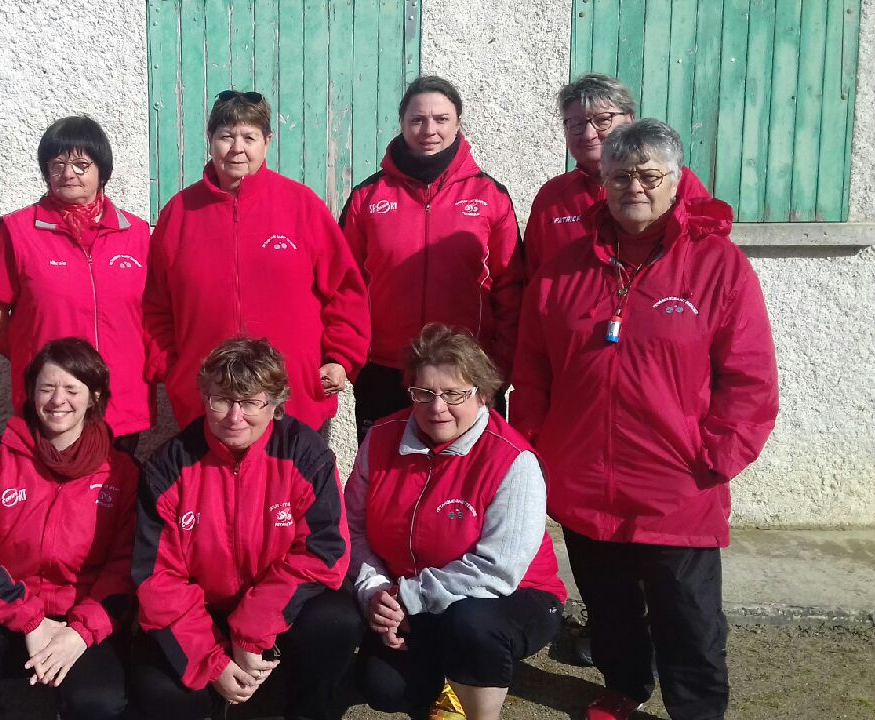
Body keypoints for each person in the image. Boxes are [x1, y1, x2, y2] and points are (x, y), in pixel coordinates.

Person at [511, 119, 778, 720]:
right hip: (583, 479)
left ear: (676, 180)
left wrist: (713, 458)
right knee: (609, 606)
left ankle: (698, 709)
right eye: (619, 176)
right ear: (601, 184)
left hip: (676, 483)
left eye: (648, 175)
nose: (634, 186)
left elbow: (751, 379)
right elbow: (531, 371)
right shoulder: (562, 269)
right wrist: (537, 452)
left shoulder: (718, 267)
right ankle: (625, 685)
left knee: (688, 615)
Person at [131, 337, 361, 720]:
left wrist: (253, 628)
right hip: (200, 609)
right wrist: (212, 659)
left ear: (274, 403)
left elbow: (326, 552)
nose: (234, 417)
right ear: (205, 398)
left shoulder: (305, 454)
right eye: (222, 399)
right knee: (162, 695)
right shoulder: (169, 466)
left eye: (251, 402)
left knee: (337, 622)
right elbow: (156, 579)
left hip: (277, 602)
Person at [345, 323, 566, 720]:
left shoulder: (514, 460)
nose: (437, 407)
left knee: (472, 627)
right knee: (386, 689)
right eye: (424, 393)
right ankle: (441, 683)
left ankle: (481, 711)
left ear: (481, 394)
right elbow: (354, 528)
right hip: (409, 594)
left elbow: (498, 570)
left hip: (508, 598)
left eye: (453, 394)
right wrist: (374, 589)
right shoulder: (380, 437)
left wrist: (407, 597)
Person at [0, 338, 137, 720]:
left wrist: (79, 631)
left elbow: (127, 566)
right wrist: (28, 618)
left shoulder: (122, 472)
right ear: (31, 393)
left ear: (94, 396)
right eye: (47, 387)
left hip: (82, 622)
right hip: (12, 613)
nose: (58, 399)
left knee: (99, 704)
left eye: (72, 389)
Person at [143, 90, 370, 432]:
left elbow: (345, 290)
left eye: (249, 137)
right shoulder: (180, 213)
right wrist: (171, 368)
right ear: (210, 141)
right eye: (226, 137)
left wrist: (340, 358)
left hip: (293, 399)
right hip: (209, 403)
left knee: (295, 486)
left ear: (267, 142)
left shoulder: (302, 206)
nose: (237, 148)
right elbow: (155, 304)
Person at [341, 76, 523, 440]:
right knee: (385, 479)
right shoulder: (367, 197)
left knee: (466, 484)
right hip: (386, 371)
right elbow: (344, 286)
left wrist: (497, 369)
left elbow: (512, 288)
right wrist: (352, 362)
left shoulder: (490, 196)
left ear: (458, 123)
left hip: (465, 373)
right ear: (402, 124)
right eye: (417, 120)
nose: (429, 130)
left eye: (441, 119)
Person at [0, 116, 151, 453]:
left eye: (80, 164)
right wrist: (34, 357)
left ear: (102, 170)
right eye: (57, 164)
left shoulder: (136, 235)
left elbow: (155, 311)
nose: (68, 173)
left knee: (116, 498)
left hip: (121, 397)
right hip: (54, 402)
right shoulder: (18, 232)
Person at [524, 73, 709, 277]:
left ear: (630, 120)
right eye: (576, 124)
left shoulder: (673, 181)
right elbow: (532, 275)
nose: (588, 134)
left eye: (602, 120)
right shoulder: (553, 196)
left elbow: (709, 263)